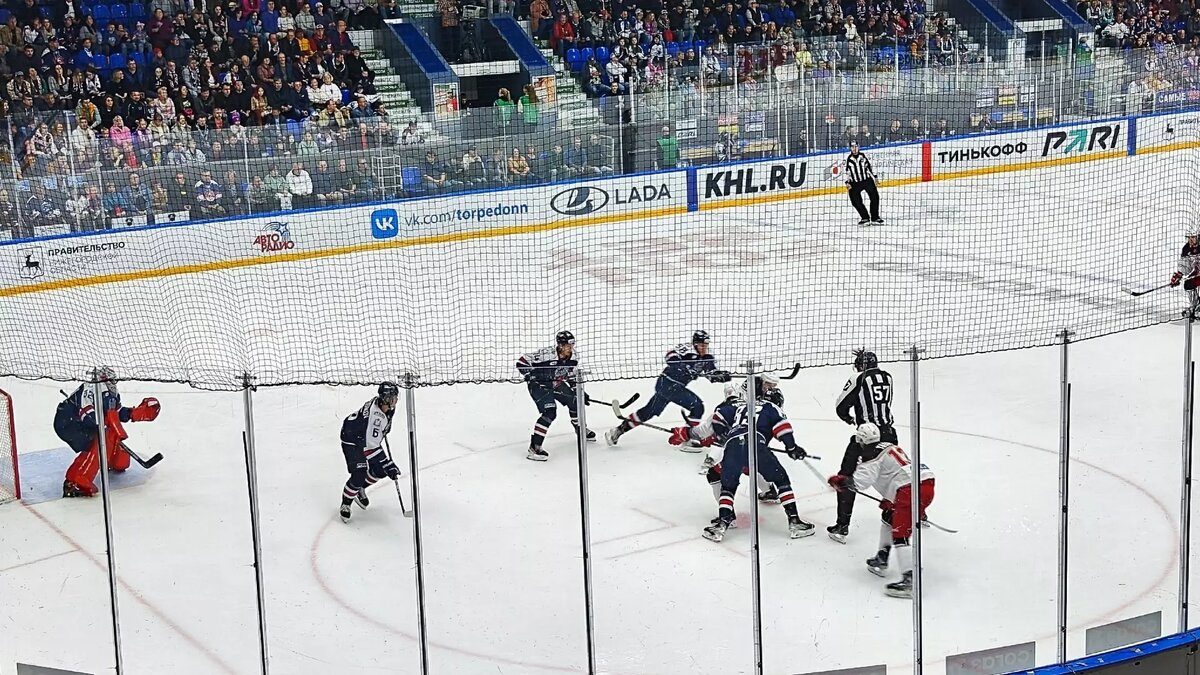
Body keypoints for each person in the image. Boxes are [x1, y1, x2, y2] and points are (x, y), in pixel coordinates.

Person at [829, 423, 935, 598]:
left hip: (908, 490)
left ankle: (911, 580)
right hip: (924, 482)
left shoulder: (870, 456)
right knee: (888, 516)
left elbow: (860, 483)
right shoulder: (888, 445)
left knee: (900, 534)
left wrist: (840, 481)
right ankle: (882, 557)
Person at [702, 379, 813, 542]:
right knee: (781, 479)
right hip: (755, 445)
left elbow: (719, 417)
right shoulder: (771, 408)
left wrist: (721, 435)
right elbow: (783, 429)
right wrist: (792, 448)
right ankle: (794, 521)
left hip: (733, 446)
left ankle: (722, 524)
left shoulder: (742, 406)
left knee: (728, 486)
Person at [605, 331, 732, 447]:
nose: (704, 348)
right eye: (701, 345)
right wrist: (679, 365)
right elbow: (669, 355)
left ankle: (617, 431)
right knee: (697, 406)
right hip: (666, 383)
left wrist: (721, 376)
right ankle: (688, 436)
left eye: (706, 345)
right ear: (695, 344)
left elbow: (711, 374)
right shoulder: (687, 349)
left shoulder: (707, 357)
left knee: (649, 411)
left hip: (676, 387)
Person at [53, 366, 161, 498]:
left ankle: (111, 461)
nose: (113, 382)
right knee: (102, 437)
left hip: (77, 421)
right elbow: (88, 416)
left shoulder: (110, 393)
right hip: (68, 423)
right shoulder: (92, 388)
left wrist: (135, 413)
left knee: (109, 432)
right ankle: (76, 481)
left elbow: (117, 412)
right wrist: (107, 421)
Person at [827, 348, 896, 542]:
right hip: (889, 433)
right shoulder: (888, 377)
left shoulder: (859, 377)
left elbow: (841, 405)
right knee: (893, 473)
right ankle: (908, 512)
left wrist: (848, 418)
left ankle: (842, 526)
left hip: (867, 437)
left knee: (846, 476)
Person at [516, 330, 594, 461]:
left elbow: (571, 376)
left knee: (575, 401)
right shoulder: (546, 355)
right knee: (550, 412)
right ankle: (534, 447)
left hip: (556, 383)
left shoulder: (574, 357)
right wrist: (531, 376)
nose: (570, 348)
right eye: (567, 345)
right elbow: (521, 362)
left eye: (572, 344)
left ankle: (581, 430)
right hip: (539, 385)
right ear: (560, 345)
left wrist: (579, 391)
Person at [338, 382, 400, 522]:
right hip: (352, 440)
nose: (395, 401)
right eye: (392, 398)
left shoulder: (386, 407)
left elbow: (373, 438)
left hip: (365, 437)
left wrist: (384, 465)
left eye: (395, 398)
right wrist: (387, 463)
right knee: (359, 473)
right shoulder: (376, 416)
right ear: (385, 399)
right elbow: (370, 446)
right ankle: (346, 504)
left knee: (380, 470)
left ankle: (359, 489)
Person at [844, 140, 882, 225]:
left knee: (875, 197)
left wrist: (875, 178)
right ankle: (865, 217)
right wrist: (847, 183)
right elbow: (847, 172)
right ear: (850, 148)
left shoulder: (863, 156)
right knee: (855, 201)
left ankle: (875, 217)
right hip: (855, 183)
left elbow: (869, 167)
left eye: (856, 146)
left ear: (859, 147)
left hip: (867, 180)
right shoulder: (848, 160)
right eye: (852, 147)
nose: (854, 149)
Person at [1170, 225, 1200, 315]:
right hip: (1197, 273)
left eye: (1193, 237)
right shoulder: (1186, 249)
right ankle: (1195, 305)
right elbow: (1184, 264)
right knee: (1188, 283)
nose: (1191, 240)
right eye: (1189, 237)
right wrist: (1179, 275)